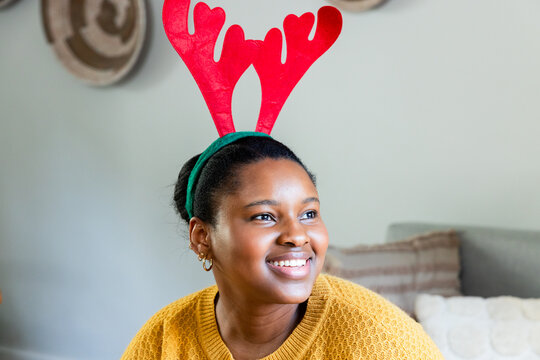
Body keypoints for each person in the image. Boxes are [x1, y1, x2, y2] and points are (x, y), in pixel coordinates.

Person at [121, 135, 444, 359]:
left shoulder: (381, 342)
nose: (297, 235)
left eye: (309, 214)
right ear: (202, 237)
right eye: (264, 216)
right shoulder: (165, 337)